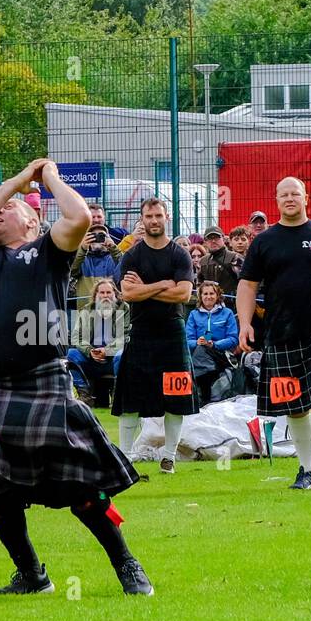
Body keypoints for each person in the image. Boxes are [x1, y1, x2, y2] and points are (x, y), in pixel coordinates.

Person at [0, 158, 148, 595]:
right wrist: (17, 181)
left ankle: (127, 565)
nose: (0, 210)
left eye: (12, 207)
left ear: (34, 218)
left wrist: (50, 178)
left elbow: (78, 216)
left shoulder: (47, 250)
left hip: (46, 382)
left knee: (84, 491)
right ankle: (32, 575)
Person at [237, 176, 311, 492]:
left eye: (295, 193)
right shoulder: (264, 241)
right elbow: (247, 285)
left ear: (305, 198)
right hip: (280, 332)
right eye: (283, 194)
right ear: (276, 200)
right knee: (294, 403)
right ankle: (306, 469)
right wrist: (245, 323)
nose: (289, 198)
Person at [111, 197, 197, 474]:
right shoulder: (132, 256)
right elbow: (128, 293)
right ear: (142, 219)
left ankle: (169, 457)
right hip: (141, 331)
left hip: (173, 330)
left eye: (158, 215)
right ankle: (125, 457)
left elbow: (183, 294)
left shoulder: (179, 255)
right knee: (130, 398)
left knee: (176, 397)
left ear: (166, 217)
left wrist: (145, 289)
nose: (154, 221)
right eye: (149, 216)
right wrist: (162, 284)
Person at [67, 278, 127, 407]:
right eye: (102, 292)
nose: (105, 296)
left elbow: (125, 337)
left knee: (122, 354)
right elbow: (77, 337)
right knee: (71, 354)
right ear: (96, 295)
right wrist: (90, 351)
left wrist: (107, 351)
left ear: (115, 294)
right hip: (92, 357)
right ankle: (85, 395)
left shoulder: (124, 309)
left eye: (108, 292)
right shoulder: (86, 310)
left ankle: (118, 396)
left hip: (113, 359)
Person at [185, 280, 240, 402]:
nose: (208, 297)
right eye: (205, 294)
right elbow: (187, 341)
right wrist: (197, 342)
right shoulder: (194, 314)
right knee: (201, 350)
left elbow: (233, 339)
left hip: (221, 355)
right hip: (200, 354)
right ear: (200, 296)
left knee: (202, 354)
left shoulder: (227, 313)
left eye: (212, 294)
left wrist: (214, 344)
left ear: (218, 296)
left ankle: (204, 397)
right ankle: (206, 396)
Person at [196, 226, 241, 298]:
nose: (213, 241)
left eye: (217, 237)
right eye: (210, 238)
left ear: (223, 239)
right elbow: (199, 284)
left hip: (231, 303)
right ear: (205, 242)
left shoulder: (234, 258)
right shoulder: (202, 261)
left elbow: (244, 282)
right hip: (209, 304)